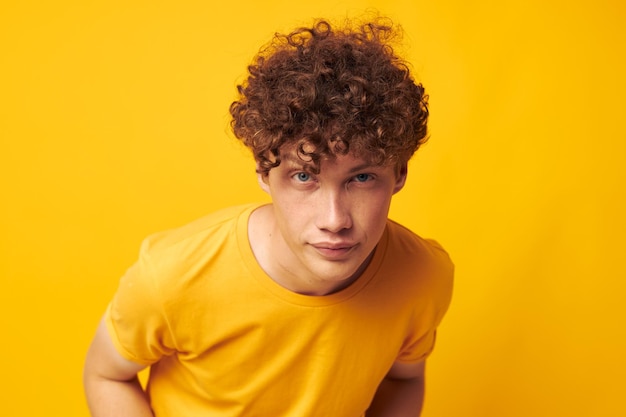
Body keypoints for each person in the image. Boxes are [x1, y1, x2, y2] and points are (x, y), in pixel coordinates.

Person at [83, 16, 454, 417]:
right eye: (304, 176)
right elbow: (106, 374)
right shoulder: (173, 276)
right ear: (264, 171)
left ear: (398, 174)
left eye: (362, 178)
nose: (335, 220)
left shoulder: (422, 275)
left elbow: (404, 378)